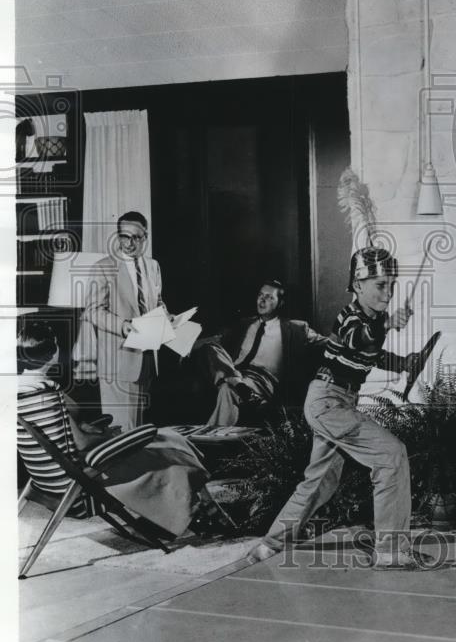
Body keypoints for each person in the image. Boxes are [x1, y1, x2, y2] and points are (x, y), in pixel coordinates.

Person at [246, 247, 432, 570]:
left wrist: (404, 362)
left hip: (333, 402)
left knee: (320, 482)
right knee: (391, 455)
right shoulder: (351, 318)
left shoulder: (371, 320)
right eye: (380, 285)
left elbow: (368, 354)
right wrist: (388, 323)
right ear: (358, 285)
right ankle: (390, 552)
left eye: (391, 285)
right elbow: (358, 339)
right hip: (328, 402)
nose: (388, 293)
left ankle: (268, 546)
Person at [18, 321, 211, 538]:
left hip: (49, 484)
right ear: (53, 352)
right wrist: (109, 436)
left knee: (165, 442)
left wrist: (86, 428)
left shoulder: (20, 392)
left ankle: (194, 510)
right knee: (165, 441)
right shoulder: (47, 395)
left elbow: (59, 436)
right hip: (82, 487)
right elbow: (81, 444)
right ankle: (202, 512)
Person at [195, 279, 326, 427]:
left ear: (280, 303)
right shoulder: (244, 324)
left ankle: (211, 436)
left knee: (226, 388)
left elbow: (326, 343)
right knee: (210, 346)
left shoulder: (296, 328)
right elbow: (216, 341)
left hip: (263, 380)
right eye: (260, 295)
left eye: (269, 297)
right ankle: (239, 387)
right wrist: (185, 347)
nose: (262, 300)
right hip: (236, 373)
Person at [81, 211, 167, 431]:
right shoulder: (102, 267)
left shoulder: (153, 266)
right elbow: (93, 311)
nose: (129, 243)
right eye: (124, 236)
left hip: (147, 358)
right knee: (122, 433)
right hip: (117, 362)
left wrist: (167, 316)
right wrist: (122, 326)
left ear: (145, 237)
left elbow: (156, 302)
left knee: (140, 431)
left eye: (136, 237)